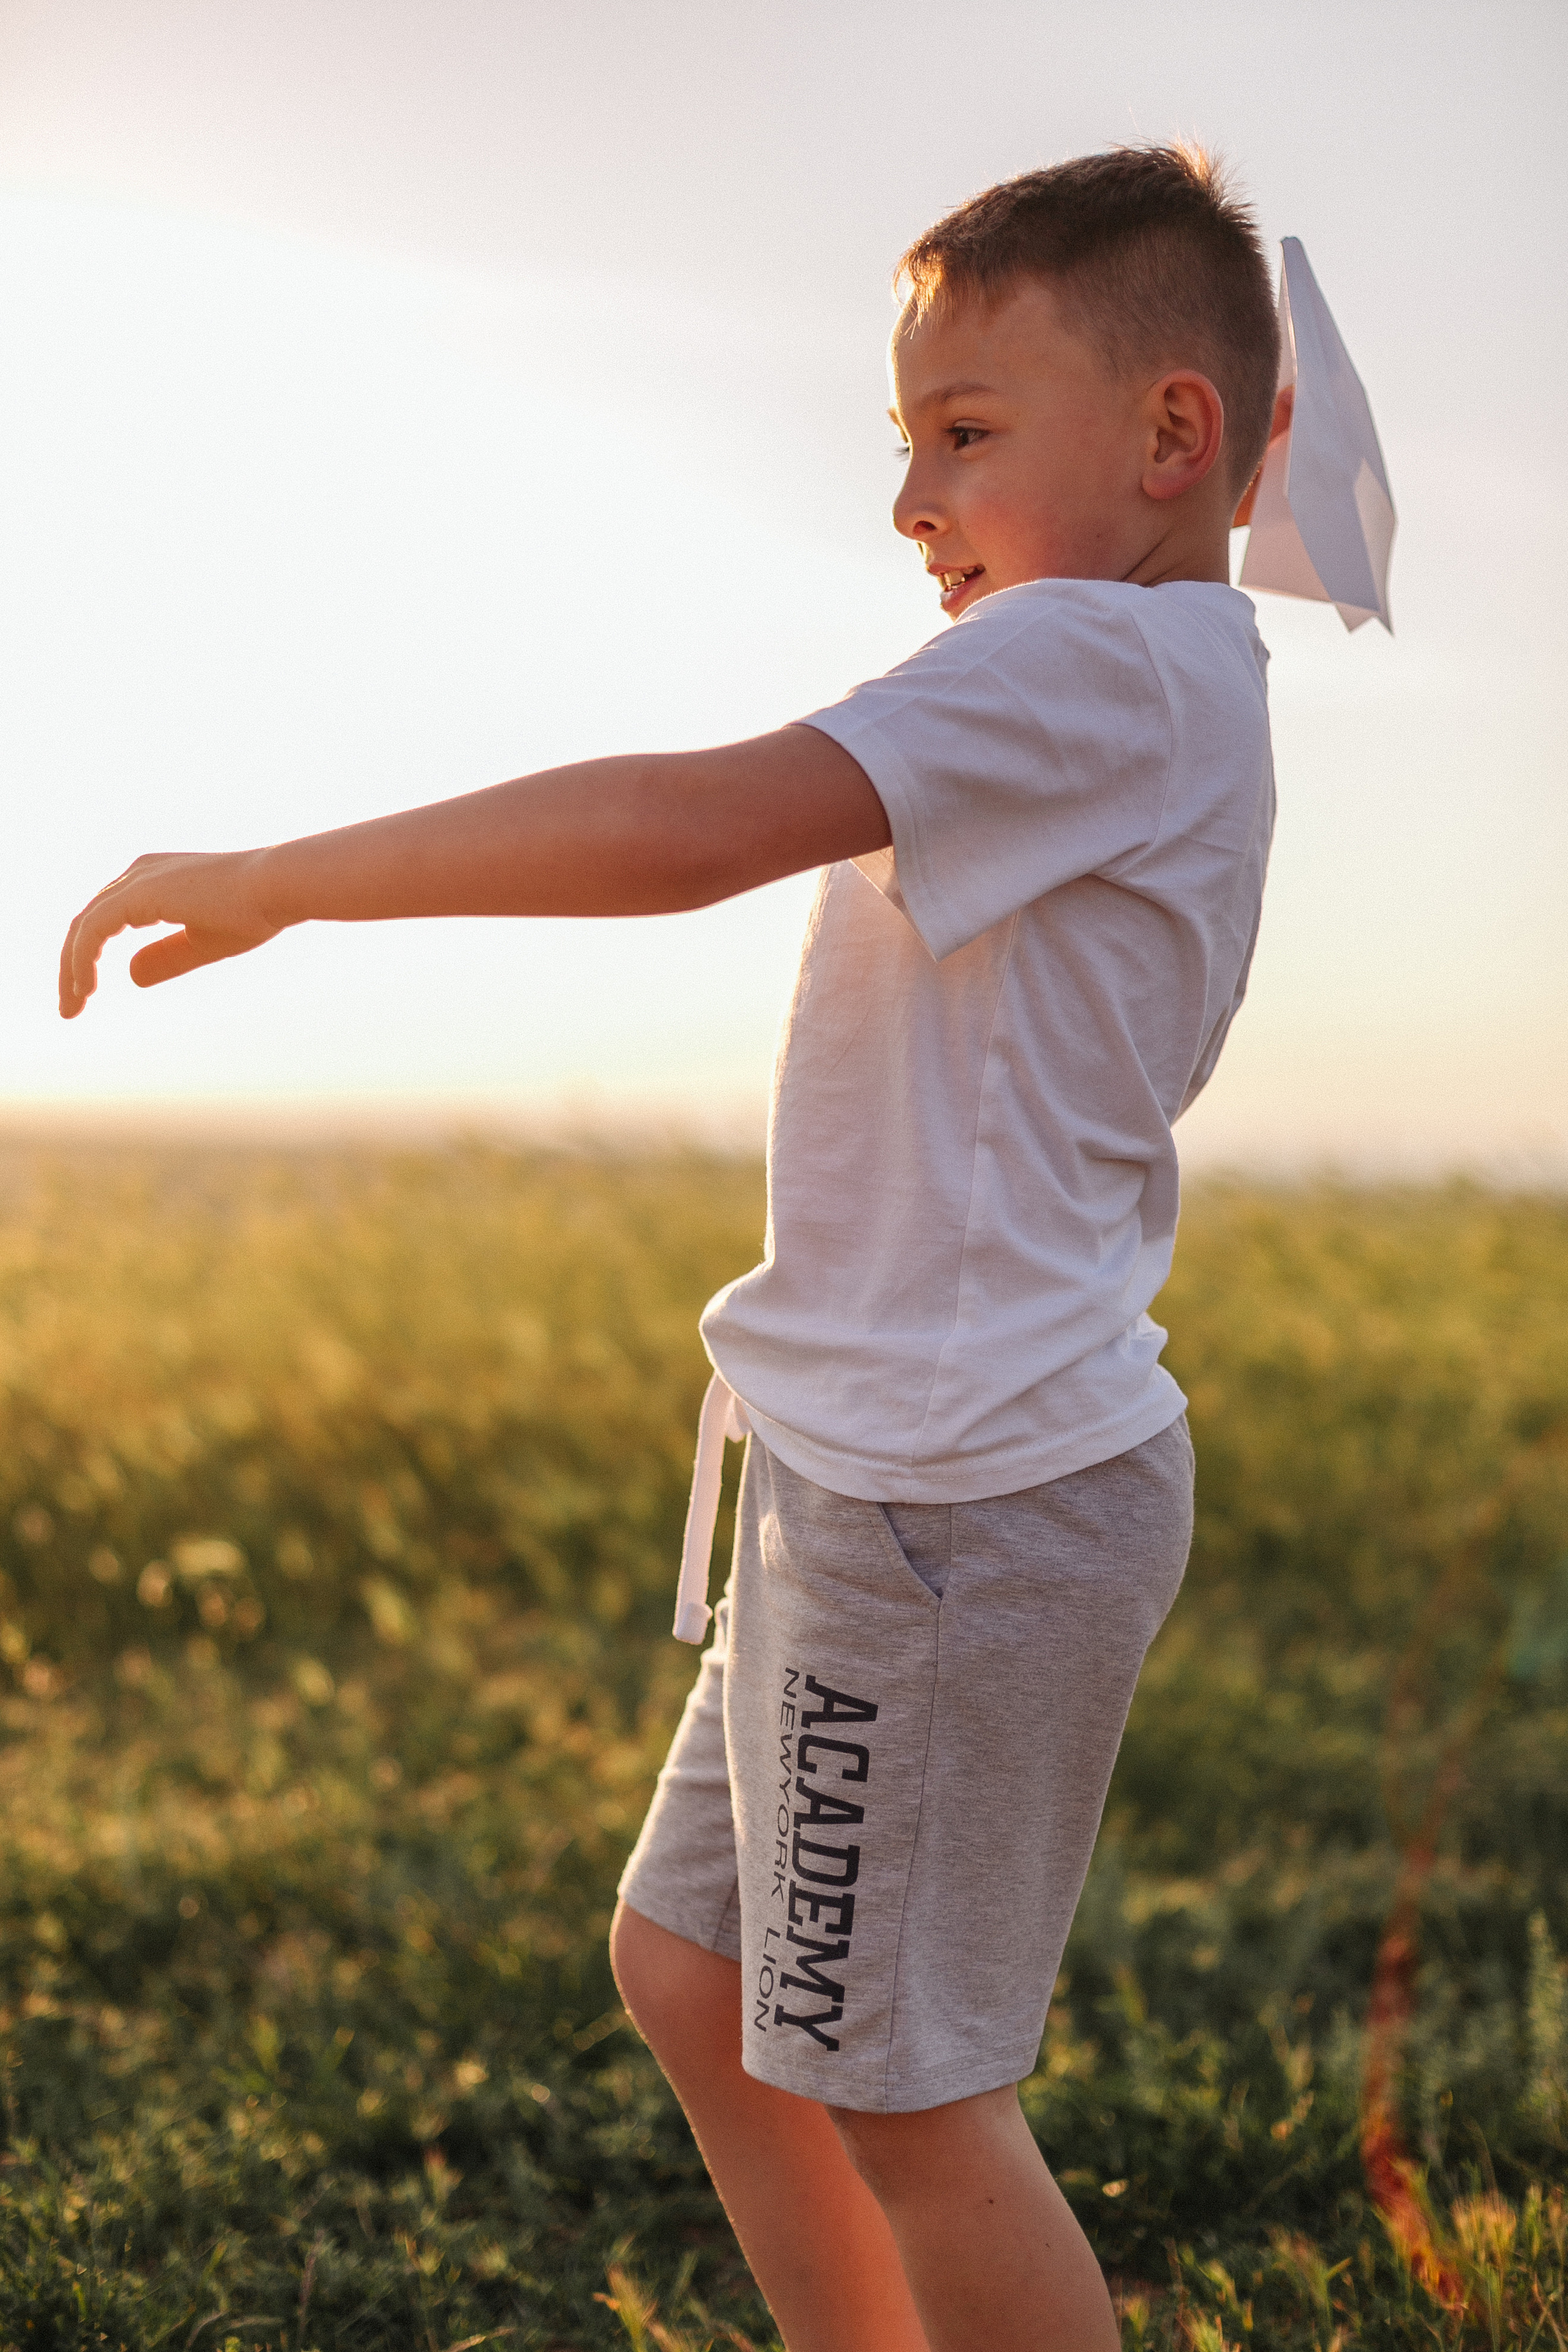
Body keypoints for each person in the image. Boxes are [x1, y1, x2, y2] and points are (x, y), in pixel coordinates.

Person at [59, 143, 1284, 2352]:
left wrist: (288, 875)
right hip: (879, 1474)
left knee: (912, 2099)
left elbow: (690, 825)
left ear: (1178, 434)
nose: (913, 501)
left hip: (951, 1504)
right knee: (702, 1978)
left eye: (966, 435)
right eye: (902, 443)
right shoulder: (1128, 658)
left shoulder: (1093, 663)